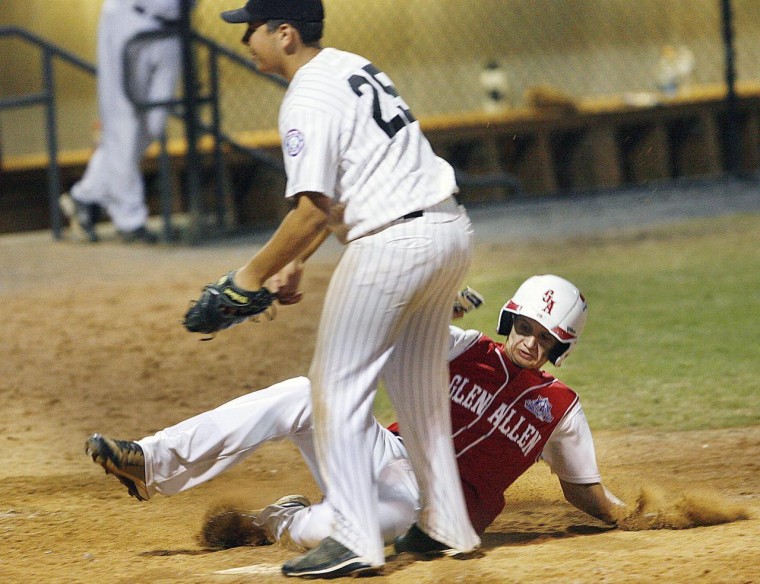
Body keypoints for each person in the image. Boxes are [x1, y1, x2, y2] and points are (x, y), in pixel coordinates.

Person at [125, 0, 481, 576]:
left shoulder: (306, 96)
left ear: (285, 34)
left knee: (334, 388)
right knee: (419, 396)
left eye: (254, 31)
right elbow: (347, 189)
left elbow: (313, 212)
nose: (247, 42)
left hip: (391, 248)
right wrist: (296, 263)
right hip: (448, 233)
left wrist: (249, 277)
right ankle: (447, 527)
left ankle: (354, 538)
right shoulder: (350, 66)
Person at [86, 275, 627, 570]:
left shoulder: (561, 409)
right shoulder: (469, 348)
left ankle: (278, 521)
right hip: (381, 454)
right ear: (510, 319)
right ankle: (151, 461)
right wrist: (439, 308)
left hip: (428, 506)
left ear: (562, 347)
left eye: (546, 336)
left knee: (343, 534)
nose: (530, 340)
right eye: (524, 325)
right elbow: (398, 331)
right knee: (302, 393)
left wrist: (633, 517)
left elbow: (584, 492)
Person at [59, 0, 191, 244]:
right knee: (124, 122)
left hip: (173, 28)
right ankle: (129, 220)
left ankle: (85, 194)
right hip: (129, 18)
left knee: (154, 125)